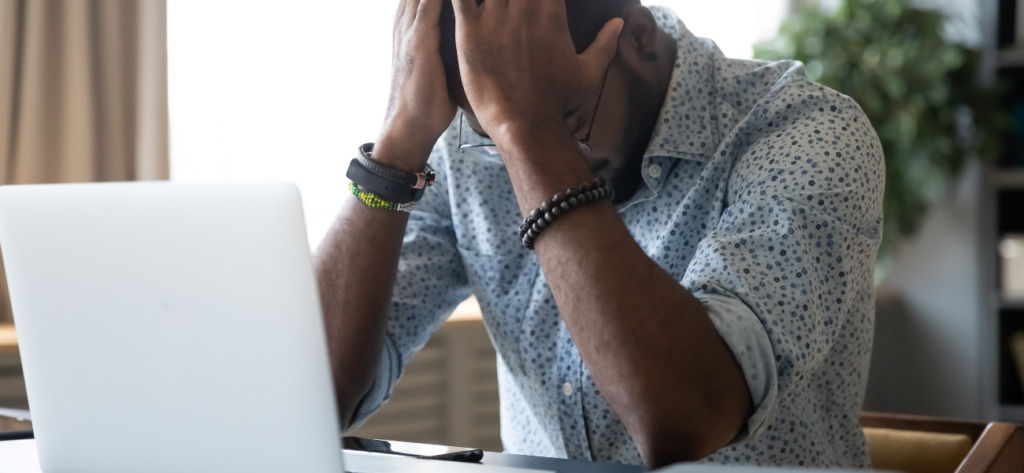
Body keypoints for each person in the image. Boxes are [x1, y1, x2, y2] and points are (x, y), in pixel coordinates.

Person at [315, 0, 884, 468]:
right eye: (490, 130)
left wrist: (528, 126)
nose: (509, 156)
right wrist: (395, 149)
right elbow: (311, 397)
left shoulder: (808, 135)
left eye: (567, 119)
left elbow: (683, 418)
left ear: (639, 38)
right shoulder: (478, 150)